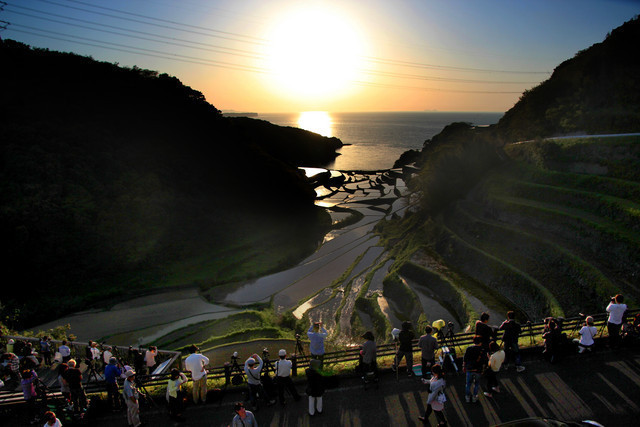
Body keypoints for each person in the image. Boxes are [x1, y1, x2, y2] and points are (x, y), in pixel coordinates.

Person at [463, 336, 487, 403]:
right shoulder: (482, 350)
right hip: (478, 369)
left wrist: (464, 366)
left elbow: (465, 359)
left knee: (468, 384)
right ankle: (474, 397)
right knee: (476, 384)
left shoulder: (469, 349)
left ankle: (467, 397)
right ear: (480, 342)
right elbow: (484, 361)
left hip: (469, 368)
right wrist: (483, 369)